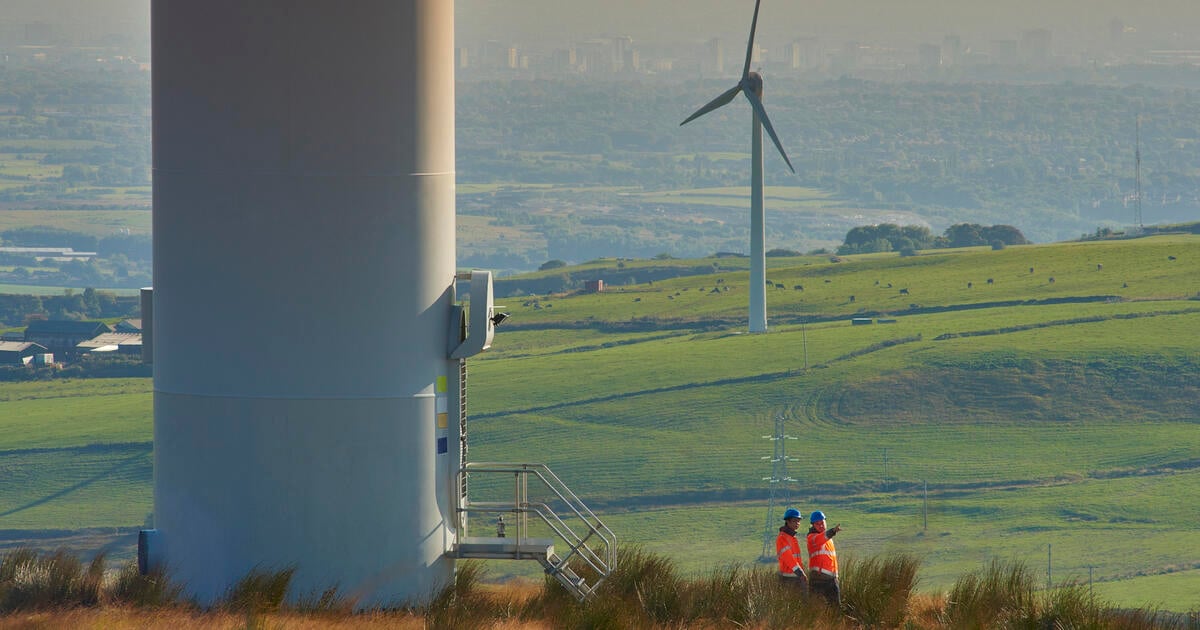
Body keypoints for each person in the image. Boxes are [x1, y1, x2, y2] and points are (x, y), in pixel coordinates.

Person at [806, 510, 842, 608]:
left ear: (825, 521)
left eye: (822, 522)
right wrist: (833, 531)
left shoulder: (828, 540)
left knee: (835, 609)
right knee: (817, 610)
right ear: (813, 525)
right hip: (819, 580)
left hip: (831, 579)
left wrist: (836, 577)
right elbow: (821, 538)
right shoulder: (811, 537)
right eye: (817, 524)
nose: (820, 525)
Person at [775, 508, 809, 590]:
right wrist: (800, 573)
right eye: (794, 521)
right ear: (787, 521)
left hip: (795, 577)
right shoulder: (782, 538)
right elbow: (789, 559)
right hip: (789, 578)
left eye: (798, 521)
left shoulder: (792, 537)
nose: (797, 523)